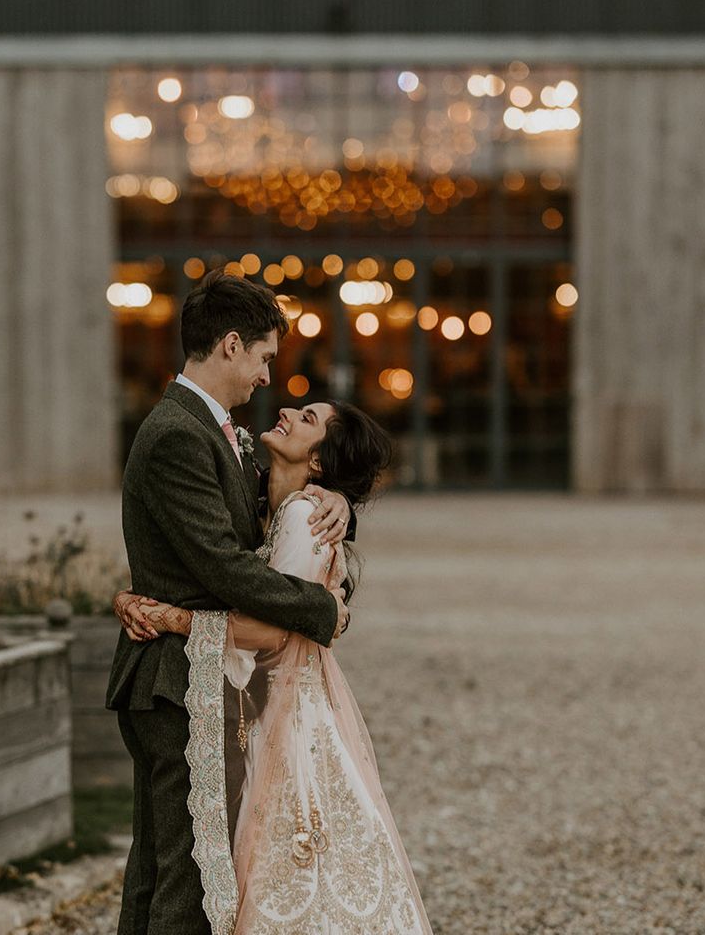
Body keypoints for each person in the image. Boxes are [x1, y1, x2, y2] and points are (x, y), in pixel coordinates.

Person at [119, 400, 435, 934]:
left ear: (317, 462)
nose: (286, 407)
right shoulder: (274, 500)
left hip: (283, 718)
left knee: (273, 867)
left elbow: (269, 631)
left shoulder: (302, 519)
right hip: (262, 702)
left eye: (307, 418)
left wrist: (172, 619)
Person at [106, 269, 354, 935]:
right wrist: (322, 611)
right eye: (265, 358)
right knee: (184, 880)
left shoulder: (221, 433)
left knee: (164, 870)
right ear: (231, 345)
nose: (267, 378)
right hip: (171, 680)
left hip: (191, 677)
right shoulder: (178, 436)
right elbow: (224, 567)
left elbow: (270, 532)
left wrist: (332, 502)